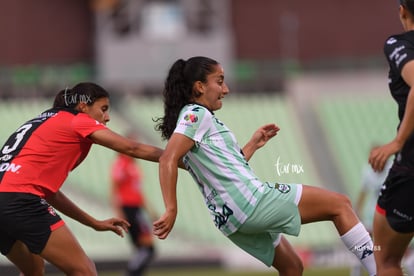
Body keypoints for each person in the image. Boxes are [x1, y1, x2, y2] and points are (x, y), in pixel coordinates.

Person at [152, 56, 377, 276]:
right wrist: (171, 209)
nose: (226, 89)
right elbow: (167, 159)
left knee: (292, 267)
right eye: (219, 81)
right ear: (199, 86)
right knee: (340, 204)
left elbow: (146, 151)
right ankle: (382, 271)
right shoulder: (196, 114)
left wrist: (252, 145)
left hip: (230, 219)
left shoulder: (190, 126)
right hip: (250, 202)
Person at [0, 82, 164, 276]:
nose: (107, 117)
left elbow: (50, 194)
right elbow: (132, 148)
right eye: (103, 109)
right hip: (20, 200)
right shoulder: (77, 120)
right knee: (84, 271)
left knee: (33, 269)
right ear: (83, 106)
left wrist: (93, 223)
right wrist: (180, 159)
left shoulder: (43, 121)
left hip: (9, 197)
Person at [368, 1, 414, 275]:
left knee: (386, 259)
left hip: (411, 166)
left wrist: (397, 142)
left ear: (402, 11)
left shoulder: (400, 44)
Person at [110, 131, 156, 276]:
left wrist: (149, 210)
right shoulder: (121, 164)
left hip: (137, 208)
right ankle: (131, 273)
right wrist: (119, 212)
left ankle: (133, 273)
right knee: (147, 248)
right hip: (129, 208)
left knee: (144, 248)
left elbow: (138, 191)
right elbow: (114, 188)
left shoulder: (133, 165)